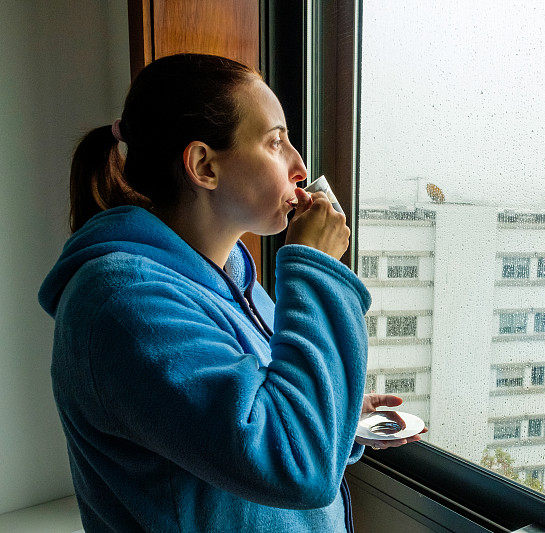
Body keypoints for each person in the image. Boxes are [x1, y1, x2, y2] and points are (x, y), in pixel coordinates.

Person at [38, 53, 424, 532]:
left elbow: (247, 422)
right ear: (203, 165)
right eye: (276, 142)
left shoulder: (228, 275)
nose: (299, 166)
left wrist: (337, 414)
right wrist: (317, 268)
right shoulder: (123, 305)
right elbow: (294, 465)